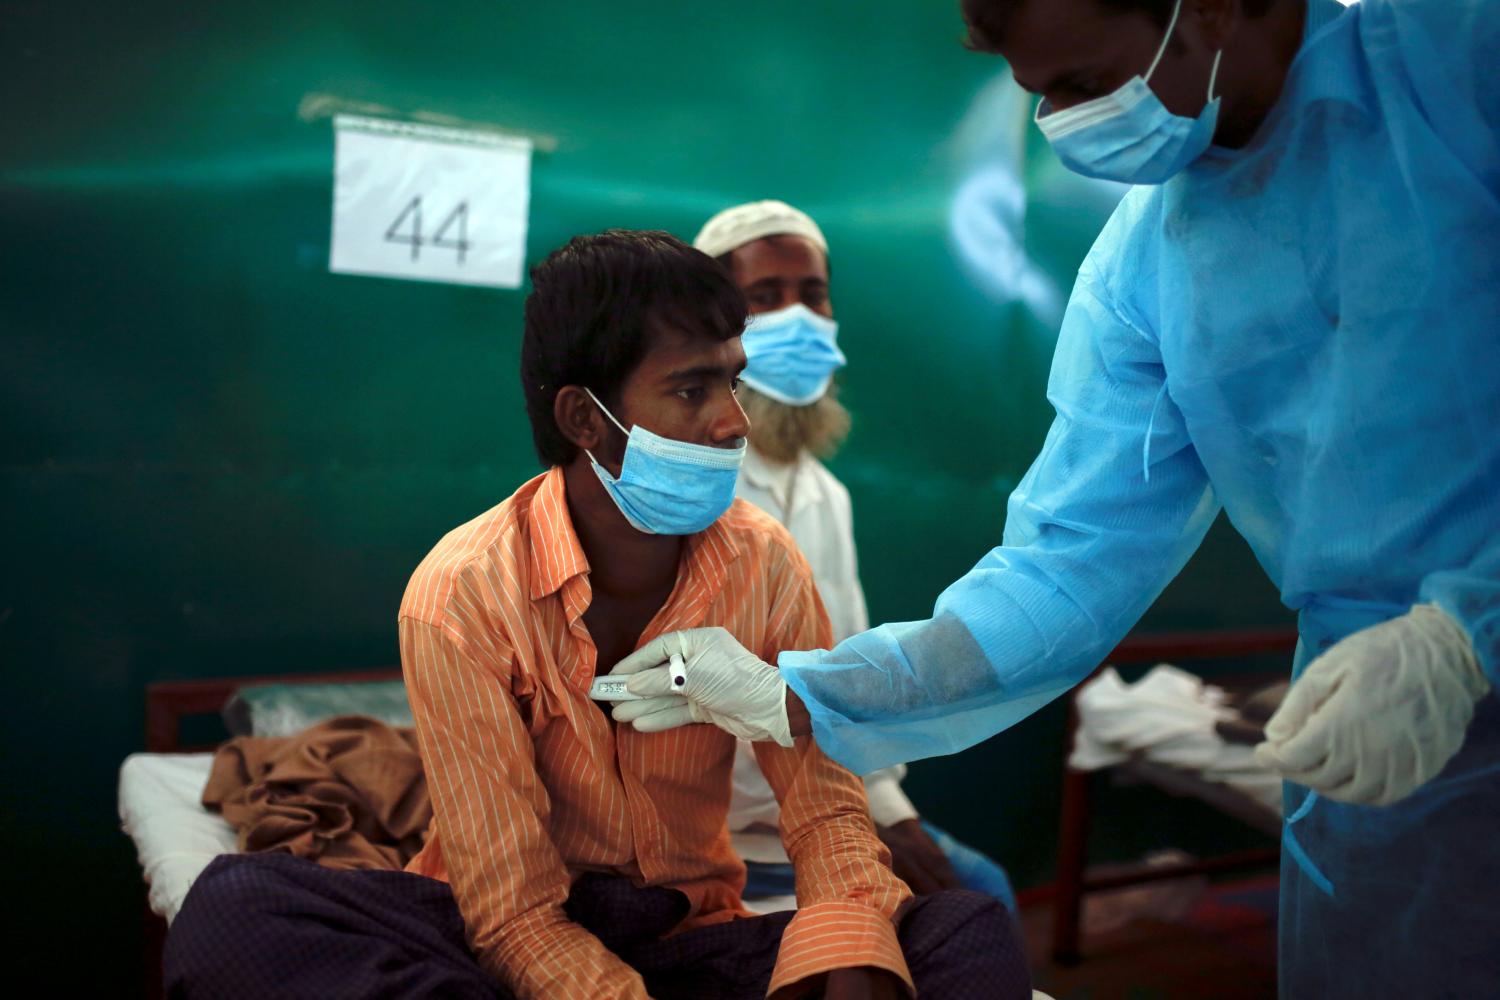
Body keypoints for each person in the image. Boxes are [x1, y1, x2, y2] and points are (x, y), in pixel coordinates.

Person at [609, 1, 1500, 995]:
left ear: (1206, 9)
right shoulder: (1142, 267)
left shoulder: (1460, 66)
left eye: (1078, 85)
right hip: (1376, 729)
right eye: (1036, 97)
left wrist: (1471, 624)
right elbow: (1062, 573)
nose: (1060, 126)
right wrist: (800, 696)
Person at [165, 230, 1027, 1000]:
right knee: (239, 909)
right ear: (587, 418)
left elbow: (825, 810)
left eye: (734, 381)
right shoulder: (461, 595)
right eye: (693, 391)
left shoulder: (764, 562)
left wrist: (852, 947)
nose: (735, 423)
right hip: (498, 944)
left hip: (683, 935)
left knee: (963, 929)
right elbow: (510, 915)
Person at [694, 199, 1017, 909]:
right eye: (764, 298)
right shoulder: (688, 487)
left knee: (984, 890)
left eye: (812, 295)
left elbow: (850, 661)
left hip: (828, 804)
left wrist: (889, 810)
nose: (797, 318)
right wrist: (841, 822)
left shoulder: (824, 494)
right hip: (728, 834)